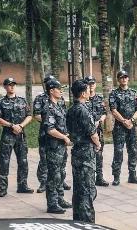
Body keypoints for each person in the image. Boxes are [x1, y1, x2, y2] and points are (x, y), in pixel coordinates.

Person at [66, 79, 102, 223]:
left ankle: (77, 220)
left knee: (78, 189)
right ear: (82, 93)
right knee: (87, 190)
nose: (89, 92)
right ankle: (87, 223)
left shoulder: (71, 110)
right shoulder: (83, 110)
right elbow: (92, 133)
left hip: (77, 151)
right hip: (86, 152)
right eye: (87, 90)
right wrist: (98, 144)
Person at [0, 78, 34, 197]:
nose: (11, 87)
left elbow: (29, 116)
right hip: (7, 135)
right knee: (4, 162)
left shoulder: (22, 101)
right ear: (5, 87)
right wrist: (12, 125)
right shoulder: (0, 102)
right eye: (9, 85)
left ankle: (22, 186)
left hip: (21, 135)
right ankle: (3, 188)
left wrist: (21, 126)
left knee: (23, 161)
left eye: (13, 85)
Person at [33, 75, 70, 193]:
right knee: (45, 159)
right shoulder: (40, 98)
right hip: (46, 133)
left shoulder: (60, 99)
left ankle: (60, 180)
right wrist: (48, 121)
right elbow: (37, 114)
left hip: (59, 134)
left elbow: (63, 114)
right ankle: (43, 182)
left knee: (61, 160)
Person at [43, 79, 73, 214]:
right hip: (53, 147)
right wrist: (64, 137)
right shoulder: (48, 108)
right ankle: (52, 203)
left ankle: (60, 199)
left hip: (61, 147)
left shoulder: (59, 106)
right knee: (54, 175)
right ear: (51, 90)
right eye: (58, 88)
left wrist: (66, 134)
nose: (61, 91)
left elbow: (61, 125)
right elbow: (50, 129)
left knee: (61, 173)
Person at [109, 70, 137, 186]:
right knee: (118, 151)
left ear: (128, 79)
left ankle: (132, 175)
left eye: (126, 77)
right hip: (119, 127)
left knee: (133, 151)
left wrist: (131, 120)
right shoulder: (114, 93)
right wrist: (123, 121)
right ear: (118, 79)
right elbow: (113, 110)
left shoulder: (134, 93)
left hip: (131, 127)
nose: (124, 79)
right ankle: (116, 176)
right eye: (121, 77)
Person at [84, 76, 109, 187]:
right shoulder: (83, 99)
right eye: (89, 84)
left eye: (93, 83)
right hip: (87, 132)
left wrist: (101, 119)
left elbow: (104, 112)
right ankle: (88, 179)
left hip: (98, 131)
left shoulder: (99, 99)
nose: (91, 85)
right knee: (87, 155)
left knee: (99, 155)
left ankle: (99, 177)